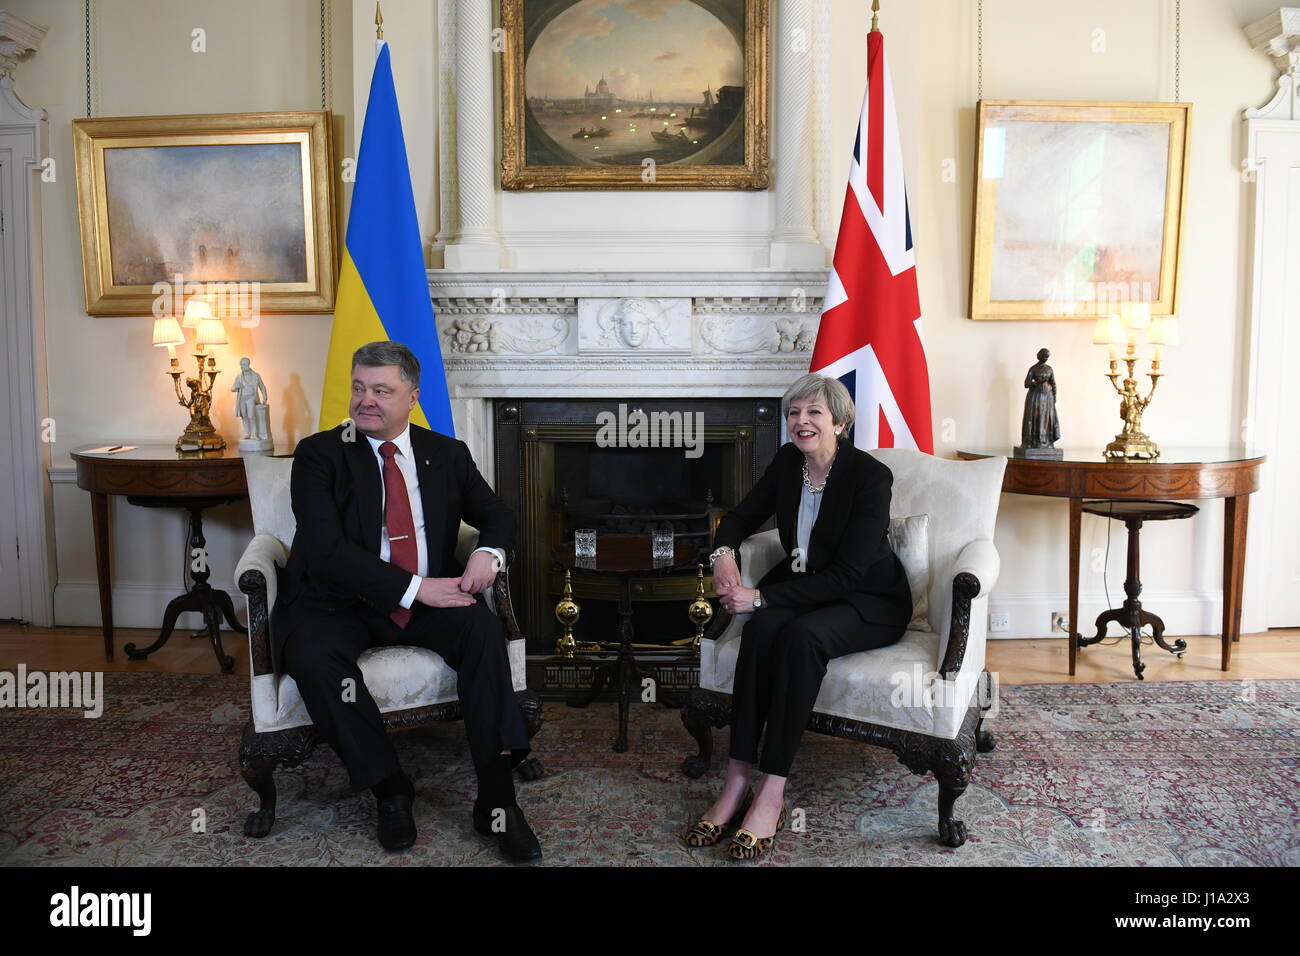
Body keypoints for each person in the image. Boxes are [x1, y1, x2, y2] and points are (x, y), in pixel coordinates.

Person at [271, 340, 541, 861]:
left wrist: (488, 553)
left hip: (424, 601)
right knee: (312, 657)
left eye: (381, 390)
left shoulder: (446, 454)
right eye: (358, 387)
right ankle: (390, 787)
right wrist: (419, 588)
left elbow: (499, 514)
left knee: (483, 632)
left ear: (412, 398)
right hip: (336, 602)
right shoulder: (319, 454)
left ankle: (496, 798)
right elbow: (324, 551)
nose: (365, 400)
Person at [685, 373, 912, 860]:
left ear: (841, 422)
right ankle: (737, 780)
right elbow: (742, 516)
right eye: (794, 412)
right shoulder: (790, 462)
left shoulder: (870, 478)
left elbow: (850, 573)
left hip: (867, 600)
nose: (801, 422)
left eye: (814, 413)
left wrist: (761, 598)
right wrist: (724, 552)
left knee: (801, 637)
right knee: (761, 629)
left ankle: (772, 790)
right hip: (806, 588)